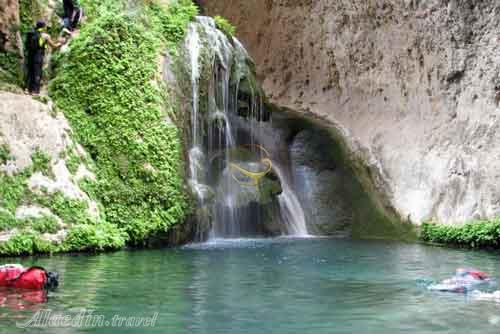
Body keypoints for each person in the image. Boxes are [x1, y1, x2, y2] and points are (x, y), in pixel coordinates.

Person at [25, 20, 62, 95]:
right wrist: (60, 43)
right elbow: (54, 46)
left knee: (30, 71)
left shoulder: (31, 33)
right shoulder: (45, 36)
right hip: (38, 56)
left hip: (30, 55)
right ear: (44, 27)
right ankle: (35, 91)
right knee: (37, 72)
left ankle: (27, 89)